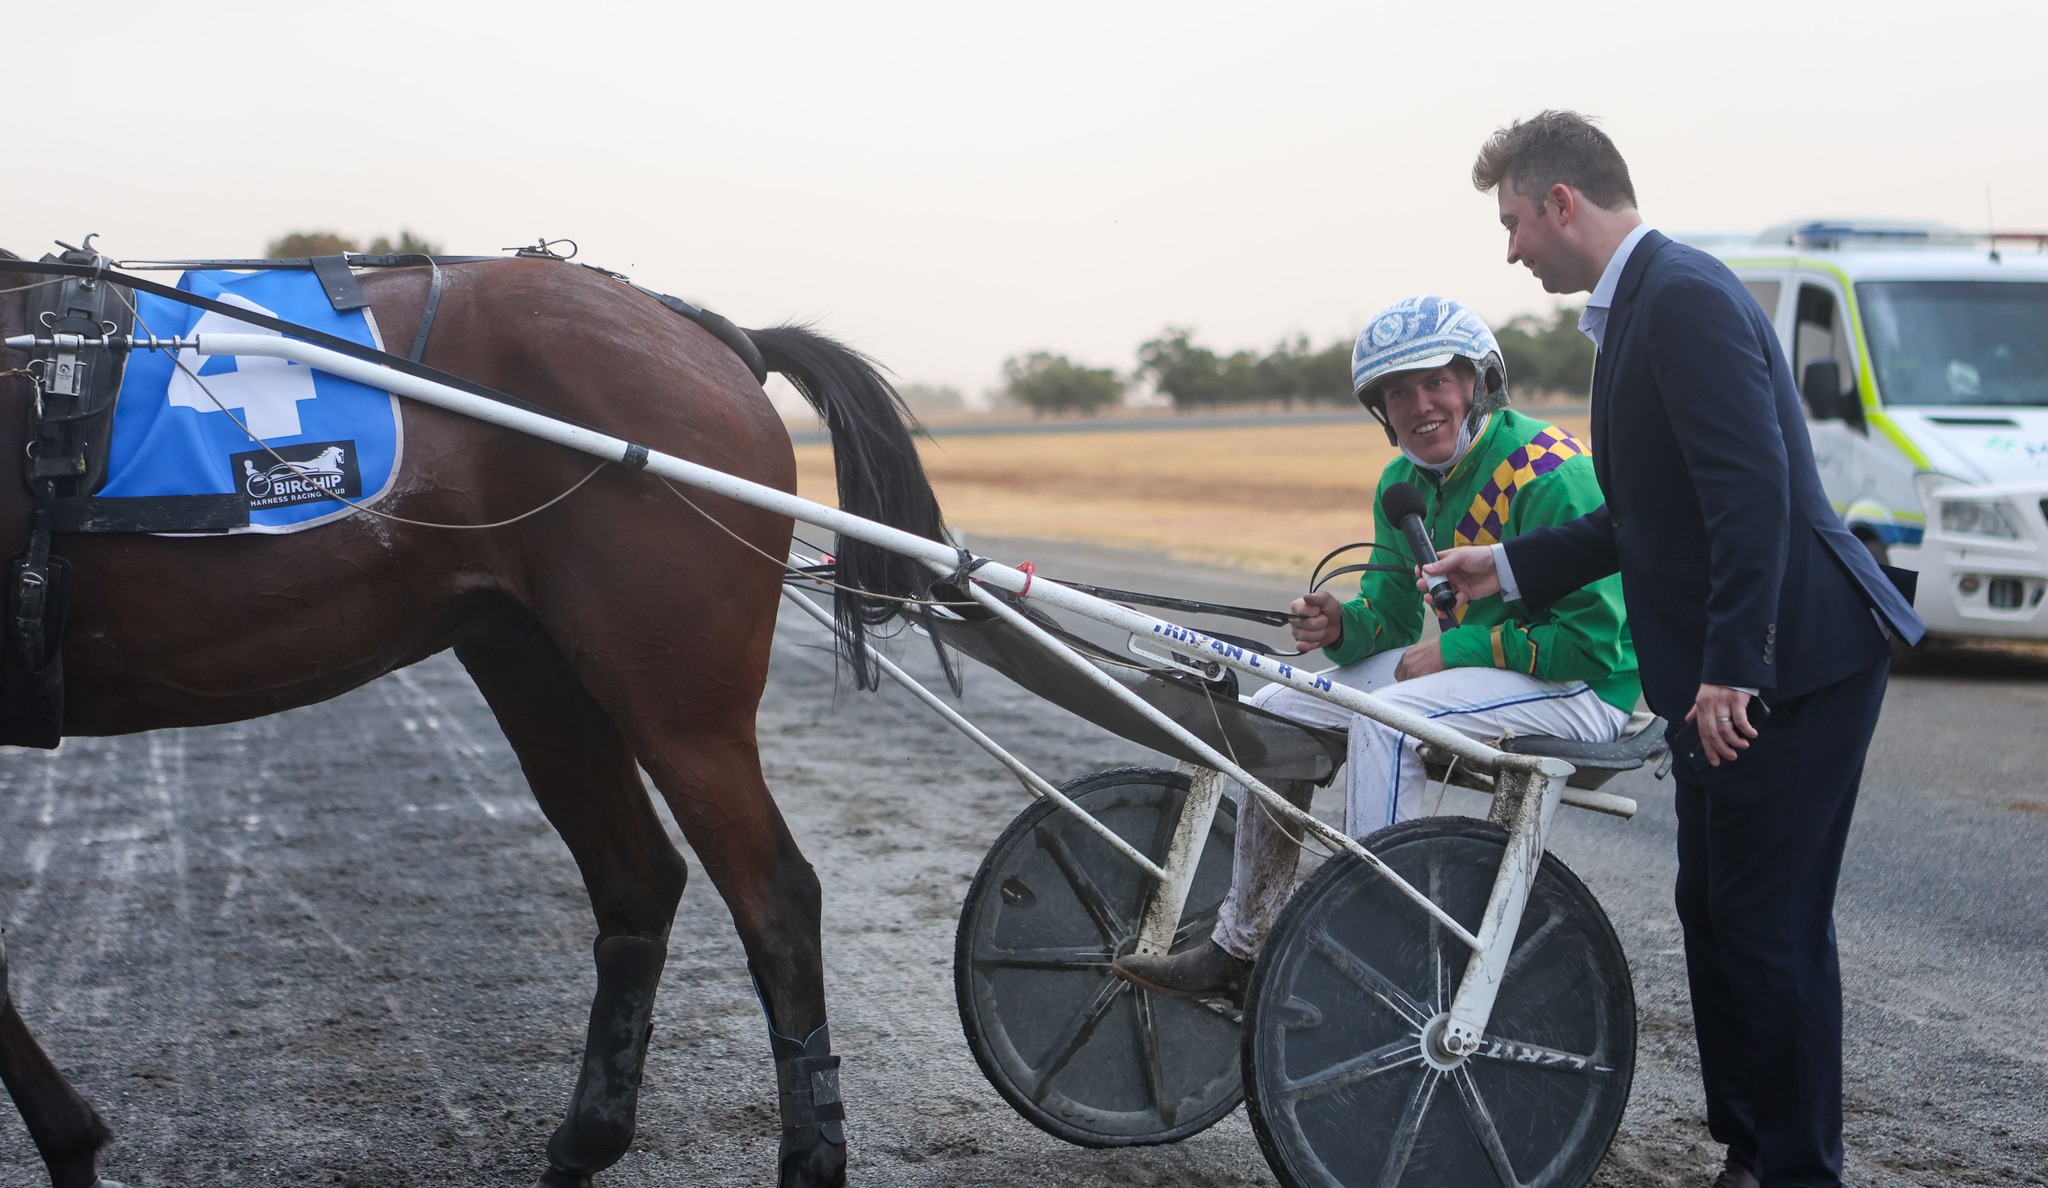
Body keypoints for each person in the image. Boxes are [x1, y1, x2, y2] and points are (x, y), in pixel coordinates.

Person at [1424, 112, 1924, 1188]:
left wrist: (1731, 666)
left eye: (1512, 221)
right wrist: (1503, 567)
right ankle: (1749, 1148)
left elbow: (1753, 500)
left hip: (1788, 666)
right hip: (1735, 668)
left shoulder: (1683, 300)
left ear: (1561, 203)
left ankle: (1794, 1171)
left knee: (1769, 925)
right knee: (1716, 911)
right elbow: (1645, 514)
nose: (1508, 247)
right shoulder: (1641, 308)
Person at [1112, 294, 1640, 1001]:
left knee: (1385, 723)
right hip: (1510, 669)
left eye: (1436, 383)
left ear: (1479, 383)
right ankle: (1241, 949)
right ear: (1380, 411)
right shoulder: (1402, 484)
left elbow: (1592, 646)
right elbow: (1391, 622)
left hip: (1589, 690)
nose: (1420, 406)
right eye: (1398, 393)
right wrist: (1341, 625)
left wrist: (1459, 652)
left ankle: (1375, 952)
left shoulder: (1550, 474)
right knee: (1276, 709)